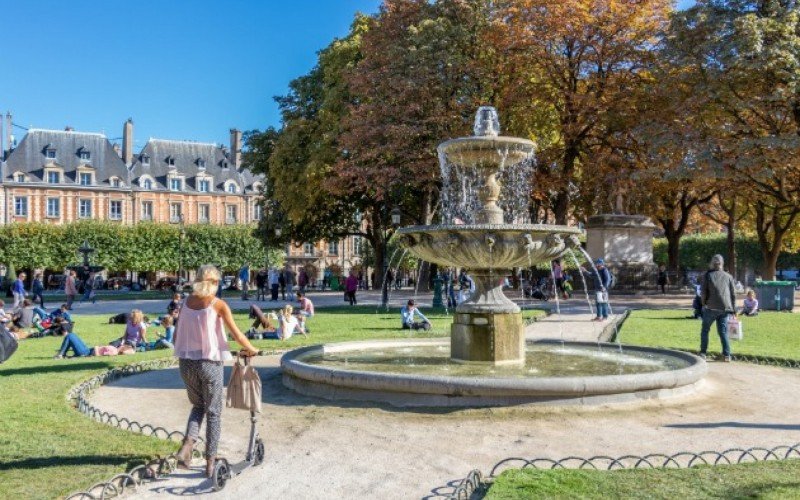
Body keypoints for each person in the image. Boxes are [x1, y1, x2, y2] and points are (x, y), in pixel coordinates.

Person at [173, 265, 259, 478]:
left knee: (197, 405)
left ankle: (187, 445)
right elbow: (237, 334)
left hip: (186, 363)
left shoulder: (185, 303)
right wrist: (251, 348)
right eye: (218, 282)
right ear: (213, 282)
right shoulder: (217, 304)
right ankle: (210, 462)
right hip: (209, 363)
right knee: (214, 412)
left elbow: (176, 336)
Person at [699, 254, 735, 361]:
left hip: (711, 307)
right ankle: (726, 355)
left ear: (712, 263)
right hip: (725, 308)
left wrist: (703, 304)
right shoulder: (729, 276)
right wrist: (733, 309)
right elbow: (733, 294)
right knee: (723, 332)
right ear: (722, 263)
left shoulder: (708, 275)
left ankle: (703, 353)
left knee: (705, 330)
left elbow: (703, 292)